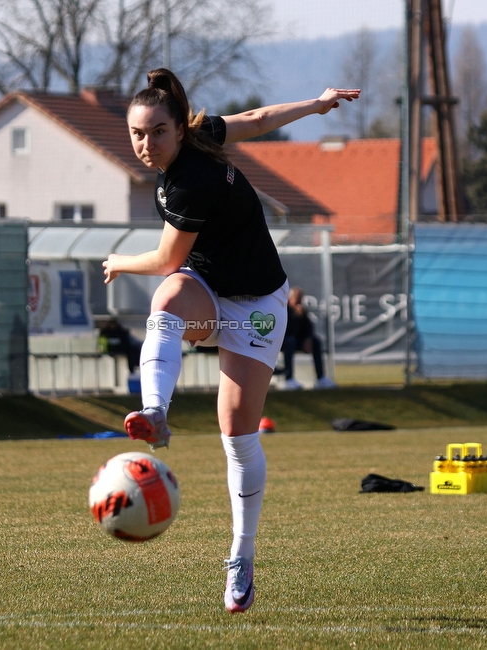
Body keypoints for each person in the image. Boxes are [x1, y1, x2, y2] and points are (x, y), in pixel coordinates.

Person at [102, 69, 359, 613]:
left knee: (238, 437)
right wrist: (316, 103)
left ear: (178, 129)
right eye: (136, 134)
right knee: (167, 303)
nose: (146, 144)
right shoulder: (200, 138)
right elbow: (259, 120)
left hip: (257, 306)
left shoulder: (189, 179)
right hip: (206, 290)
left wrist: (119, 262)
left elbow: (166, 258)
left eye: (156, 132)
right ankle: (154, 411)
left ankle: (242, 555)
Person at [281, 286, 336, 390]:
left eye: (300, 298)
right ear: (290, 298)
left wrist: (308, 339)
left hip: (297, 341)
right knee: (290, 341)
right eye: (296, 298)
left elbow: (308, 328)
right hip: (283, 342)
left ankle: (320, 378)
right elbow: (287, 330)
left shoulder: (302, 311)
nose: (299, 301)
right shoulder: (284, 310)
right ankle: (288, 379)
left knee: (316, 341)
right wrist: (296, 316)